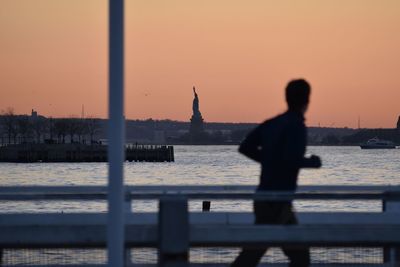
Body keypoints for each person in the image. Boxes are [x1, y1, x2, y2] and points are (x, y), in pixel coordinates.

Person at [231, 79, 322, 267]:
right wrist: (312, 162)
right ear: (307, 100)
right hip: (276, 201)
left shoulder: (273, 123)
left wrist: (269, 160)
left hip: (268, 198)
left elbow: (246, 147)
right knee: (256, 254)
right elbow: (291, 160)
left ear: (286, 98)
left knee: (296, 256)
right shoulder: (296, 125)